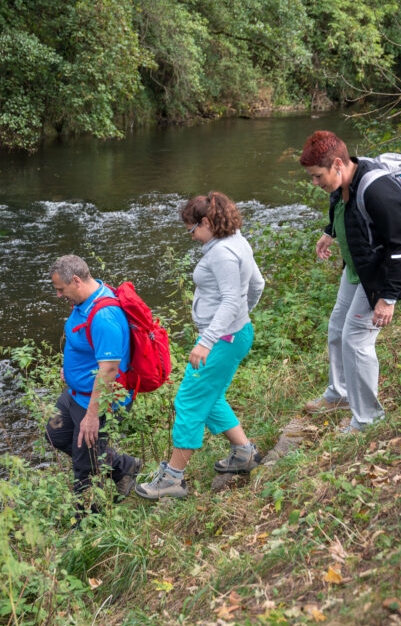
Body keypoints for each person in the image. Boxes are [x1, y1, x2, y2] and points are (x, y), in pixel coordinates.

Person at [136, 192, 265, 501]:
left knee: (189, 400)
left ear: (207, 222)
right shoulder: (237, 240)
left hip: (222, 339)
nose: (191, 235)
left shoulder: (221, 253)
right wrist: (240, 319)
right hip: (232, 334)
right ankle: (244, 453)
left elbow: (231, 300)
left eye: (192, 229)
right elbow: (257, 285)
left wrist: (209, 340)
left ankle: (173, 478)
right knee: (210, 396)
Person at [298, 130, 401, 431]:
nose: (315, 183)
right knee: (337, 328)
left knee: (356, 340)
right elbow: (343, 207)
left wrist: (388, 297)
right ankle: (340, 394)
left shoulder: (378, 191)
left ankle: (368, 420)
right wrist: (330, 231)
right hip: (357, 268)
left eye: (317, 176)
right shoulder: (342, 180)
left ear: (338, 164)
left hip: (379, 274)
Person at [45, 255, 142, 502]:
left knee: (83, 468)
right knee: (54, 435)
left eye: (61, 289)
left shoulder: (104, 316)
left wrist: (92, 416)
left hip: (95, 401)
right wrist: (71, 369)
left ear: (76, 280)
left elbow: (109, 370)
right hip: (74, 394)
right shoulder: (86, 299)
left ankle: (87, 519)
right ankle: (123, 466)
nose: (58, 295)